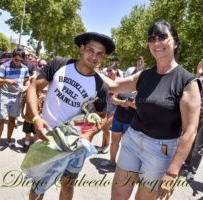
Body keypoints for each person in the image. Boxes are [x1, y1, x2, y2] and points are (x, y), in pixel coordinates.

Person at [98, 20, 201, 200]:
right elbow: (114, 85)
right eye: (152, 38)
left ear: (175, 42)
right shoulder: (144, 74)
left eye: (162, 37)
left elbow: (190, 131)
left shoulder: (187, 81)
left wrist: (172, 173)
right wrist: (89, 66)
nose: (156, 43)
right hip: (132, 141)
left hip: (160, 150)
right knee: (117, 197)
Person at [26, 32, 115, 200]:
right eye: (90, 50)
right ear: (81, 48)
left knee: (67, 186)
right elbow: (33, 88)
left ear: (104, 58)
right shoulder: (59, 64)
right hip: (48, 139)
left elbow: (103, 116)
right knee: (38, 187)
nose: (94, 57)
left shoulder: (100, 85)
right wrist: (36, 119)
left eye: (100, 54)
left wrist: (89, 134)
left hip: (75, 146)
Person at [99, 56, 145, 167]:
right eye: (133, 74)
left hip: (131, 122)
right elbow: (113, 99)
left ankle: (124, 166)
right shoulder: (123, 87)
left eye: (136, 74)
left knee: (127, 146)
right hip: (118, 119)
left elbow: (141, 107)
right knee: (114, 142)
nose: (134, 76)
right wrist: (124, 102)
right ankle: (111, 161)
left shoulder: (142, 90)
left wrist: (128, 103)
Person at [0, 48, 30, 153]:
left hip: (17, 96)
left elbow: (27, 81)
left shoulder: (24, 68)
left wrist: (25, 88)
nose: (18, 62)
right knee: (1, 120)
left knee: (12, 120)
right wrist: (8, 80)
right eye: (16, 60)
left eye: (21, 60)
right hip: (4, 95)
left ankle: (9, 140)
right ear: (13, 57)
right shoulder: (4, 66)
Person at [96, 62, 120, 154]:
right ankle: (102, 145)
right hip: (106, 108)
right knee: (103, 128)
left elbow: (122, 94)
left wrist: (117, 95)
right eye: (108, 70)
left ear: (116, 70)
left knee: (105, 127)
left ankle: (108, 145)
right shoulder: (107, 81)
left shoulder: (119, 81)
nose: (109, 72)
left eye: (111, 70)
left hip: (115, 109)